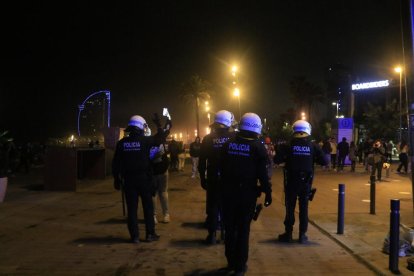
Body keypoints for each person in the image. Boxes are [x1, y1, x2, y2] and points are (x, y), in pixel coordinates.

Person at [220, 112, 272, 275]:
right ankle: (240, 266)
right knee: (243, 230)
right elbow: (263, 176)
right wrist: (268, 193)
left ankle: (230, 262)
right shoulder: (258, 147)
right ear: (256, 127)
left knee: (229, 229)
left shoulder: (228, 143)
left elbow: (220, 167)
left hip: (228, 193)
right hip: (247, 195)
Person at [112, 114, 171, 243]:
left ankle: (135, 236)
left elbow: (116, 163)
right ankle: (150, 234)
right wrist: (159, 125)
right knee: (148, 208)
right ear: (141, 127)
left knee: (132, 209)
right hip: (145, 179)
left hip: (129, 180)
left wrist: (116, 179)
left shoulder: (121, 143)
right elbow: (161, 138)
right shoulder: (146, 141)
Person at [274, 120, 325, 243]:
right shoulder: (313, 146)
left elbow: (276, 160)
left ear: (294, 130)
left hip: (291, 181)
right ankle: (302, 235)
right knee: (304, 208)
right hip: (306, 182)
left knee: (290, 207)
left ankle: (289, 233)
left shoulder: (287, 145)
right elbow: (325, 161)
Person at [198, 110, 235, 244]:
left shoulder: (208, 138)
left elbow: (202, 161)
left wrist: (202, 177)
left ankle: (212, 235)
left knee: (213, 206)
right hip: (230, 178)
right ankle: (226, 234)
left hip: (213, 177)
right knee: (228, 206)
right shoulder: (234, 137)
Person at [150, 143, 170, 224]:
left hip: (153, 172)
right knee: (163, 192)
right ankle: (166, 215)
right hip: (163, 171)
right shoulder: (162, 145)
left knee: (153, 194)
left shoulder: (149, 145)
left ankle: (153, 216)